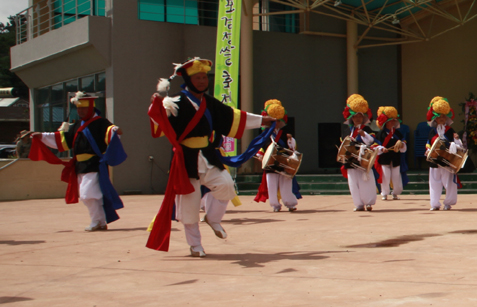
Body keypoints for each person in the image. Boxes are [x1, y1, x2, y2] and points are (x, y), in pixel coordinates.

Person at [147, 58, 275, 256]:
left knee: (226, 186)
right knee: (189, 205)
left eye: (204, 77)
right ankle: (195, 245)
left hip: (208, 154)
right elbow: (159, 127)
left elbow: (234, 116)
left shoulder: (210, 103)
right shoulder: (174, 102)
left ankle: (213, 218)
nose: (202, 81)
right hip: (185, 159)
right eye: (197, 77)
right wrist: (157, 109)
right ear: (188, 80)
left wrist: (263, 120)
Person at [26, 92, 125, 231]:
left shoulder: (101, 122)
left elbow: (111, 131)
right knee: (92, 195)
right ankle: (100, 221)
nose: (80, 111)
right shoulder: (78, 124)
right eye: (78, 109)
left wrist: (114, 130)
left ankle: (97, 221)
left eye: (83, 108)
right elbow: (65, 139)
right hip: (80, 165)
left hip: (94, 163)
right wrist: (42, 136)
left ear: (90, 108)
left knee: (88, 194)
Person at [253, 99, 300, 212]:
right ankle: (275, 205)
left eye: (278, 121)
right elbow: (260, 147)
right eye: (273, 121)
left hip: (284, 162)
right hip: (271, 163)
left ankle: (290, 204)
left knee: (286, 185)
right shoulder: (264, 134)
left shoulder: (285, 133)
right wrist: (260, 155)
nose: (276, 123)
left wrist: (290, 141)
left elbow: (292, 147)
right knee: (272, 186)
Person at [340, 94, 379, 212]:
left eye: (360, 117)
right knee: (353, 183)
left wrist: (363, 135)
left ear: (363, 118)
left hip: (363, 159)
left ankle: (368, 203)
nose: (357, 119)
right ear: (351, 118)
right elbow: (343, 144)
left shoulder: (367, 129)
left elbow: (372, 141)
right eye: (355, 116)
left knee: (366, 181)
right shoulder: (347, 130)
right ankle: (358, 204)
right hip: (351, 160)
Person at [425, 97, 462, 210]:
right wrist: (427, 151)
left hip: (446, 161)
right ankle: (435, 204)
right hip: (434, 161)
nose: (441, 118)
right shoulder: (432, 131)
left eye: (443, 116)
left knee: (449, 183)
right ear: (435, 119)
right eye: (439, 116)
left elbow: (458, 146)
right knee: (434, 183)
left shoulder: (450, 131)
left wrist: (456, 140)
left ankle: (448, 203)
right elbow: (428, 143)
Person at [376, 106, 408, 201]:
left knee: (396, 176)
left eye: (394, 121)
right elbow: (375, 145)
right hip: (385, 158)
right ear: (386, 122)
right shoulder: (380, 134)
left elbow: (404, 142)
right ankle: (384, 193)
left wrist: (401, 144)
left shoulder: (397, 133)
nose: (392, 122)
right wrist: (382, 149)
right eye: (391, 121)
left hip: (395, 157)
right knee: (385, 176)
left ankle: (395, 193)